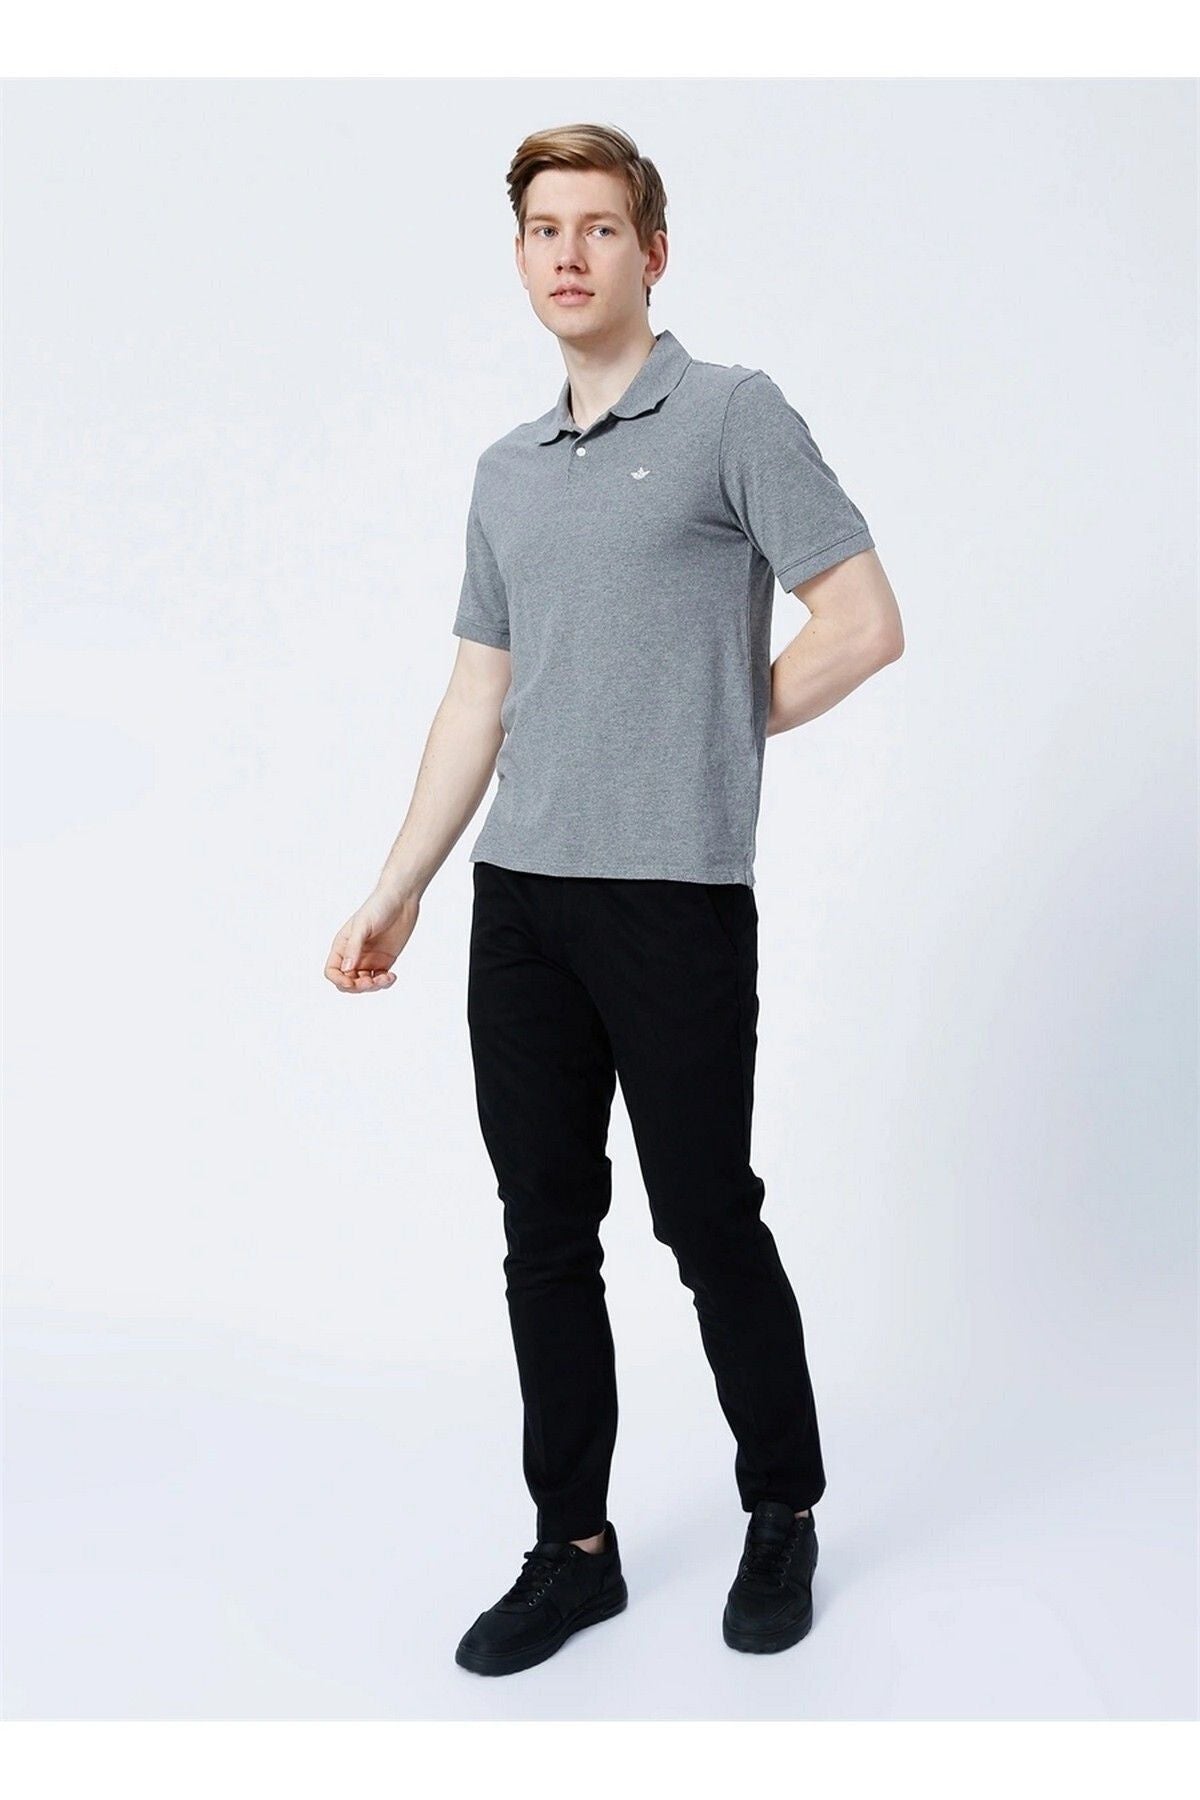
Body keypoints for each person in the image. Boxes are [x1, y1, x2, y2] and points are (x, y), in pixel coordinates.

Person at [325, 122, 904, 1676]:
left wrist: (710, 715)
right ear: (520, 256)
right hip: (521, 903)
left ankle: (781, 1509)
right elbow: (478, 694)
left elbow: (863, 620)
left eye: (597, 226)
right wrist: (400, 883)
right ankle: (572, 1550)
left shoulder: (731, 416)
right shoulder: (505, 473)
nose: (569, 253)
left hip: (673, 898)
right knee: (542, 1233)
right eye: (543, 228)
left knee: (705, 1216)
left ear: (653, 250)